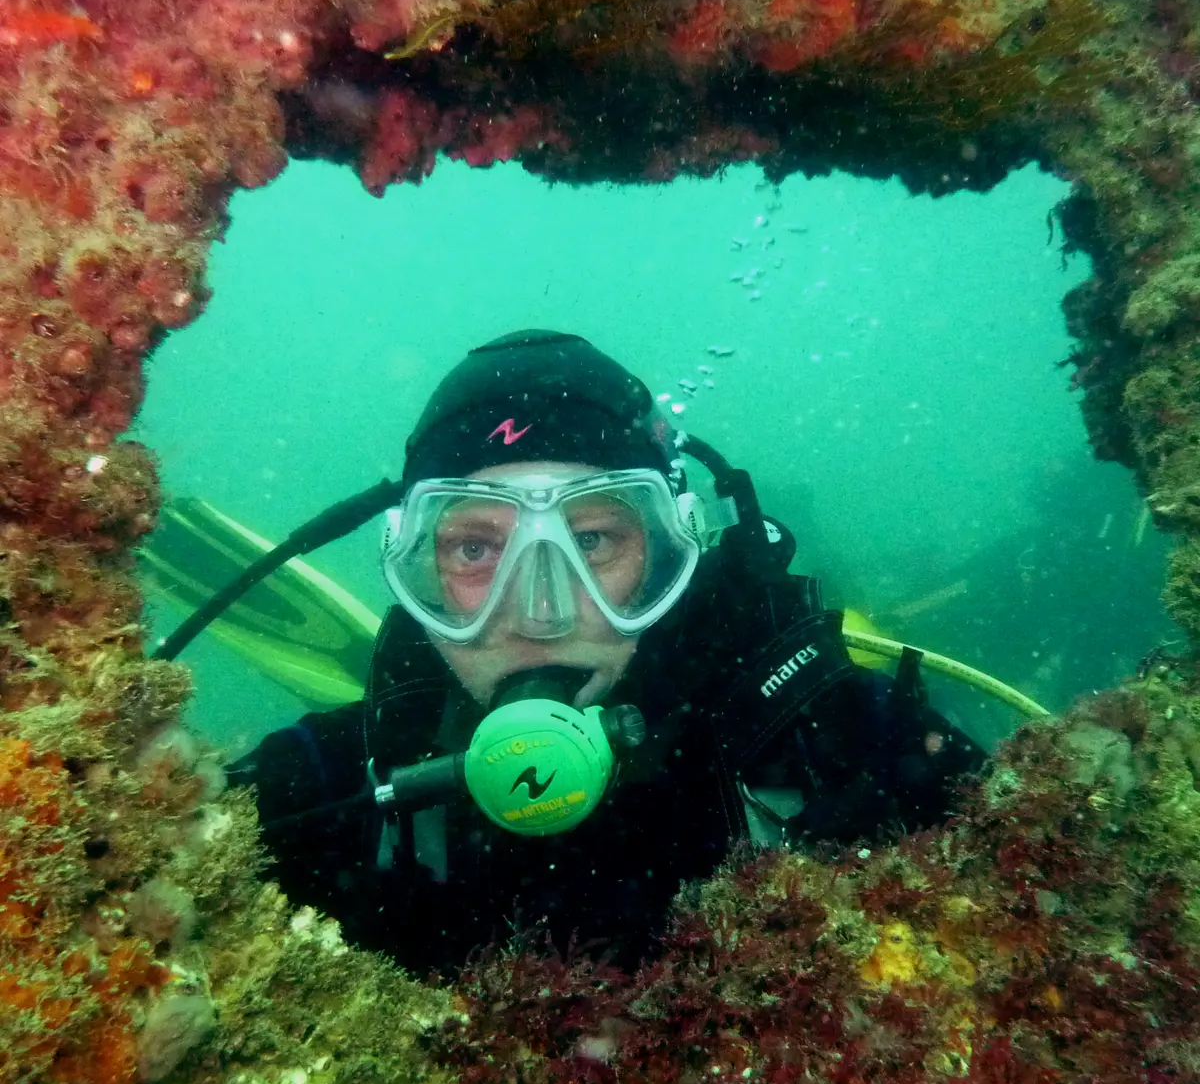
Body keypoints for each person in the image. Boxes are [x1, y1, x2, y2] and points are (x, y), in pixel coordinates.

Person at [230, 329, 983, 973]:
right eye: (474, 547)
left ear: (665, 553)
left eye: (591, 540)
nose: (540, 615)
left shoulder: (847, 745)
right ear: (418, 569)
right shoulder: (321, 792)